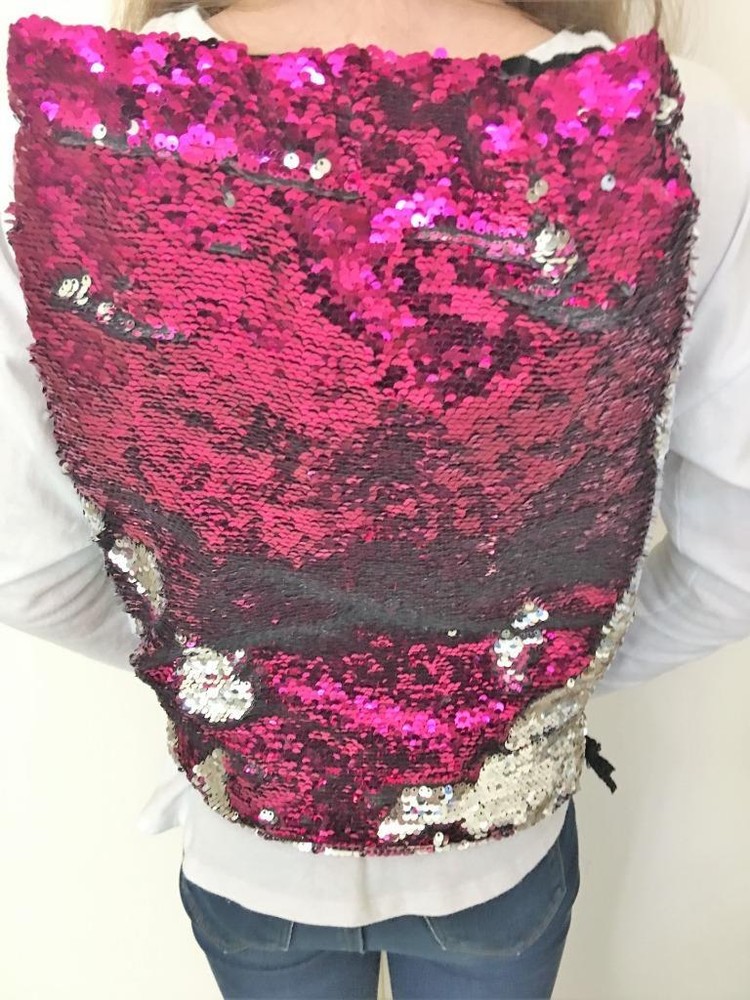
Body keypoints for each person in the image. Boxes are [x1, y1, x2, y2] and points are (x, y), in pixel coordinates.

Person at [2, 2, 750, 998]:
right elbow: (737, 564)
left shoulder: (76, 129)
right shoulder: (682, 129)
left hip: (250, 859)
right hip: (497, 865)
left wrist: (227, 686)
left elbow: (23, 566)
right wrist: (528, 694)